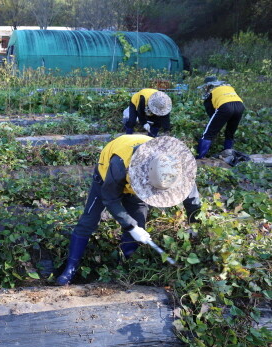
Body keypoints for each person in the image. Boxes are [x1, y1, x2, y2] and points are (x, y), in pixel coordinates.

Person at [56, 135, 201, 285]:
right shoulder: (119, 164)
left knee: (139, 223)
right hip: (107, 178)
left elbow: (192, 201)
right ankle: (70, 268)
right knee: (89, 220)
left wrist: (194, 224)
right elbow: (110, 199)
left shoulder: (175, 169)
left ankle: (124, 268)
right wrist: (130, 226)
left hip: (140, 183)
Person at [196, 76, 245, 159]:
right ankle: (228, 155)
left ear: (208, 86)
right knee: (230, 133)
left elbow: (212, 114)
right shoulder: (228, 87)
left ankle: (200, 157)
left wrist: (215, 125)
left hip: (225, 107)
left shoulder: (210, 94)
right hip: (240, 106)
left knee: (207, 134)